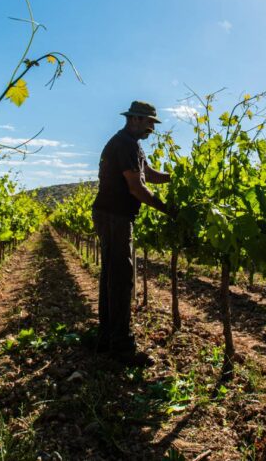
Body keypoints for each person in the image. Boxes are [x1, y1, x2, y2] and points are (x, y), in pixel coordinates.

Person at [92, 100, 171, 366]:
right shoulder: (124, 144)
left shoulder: (131, 144)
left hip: (113, 215)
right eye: (149, 123)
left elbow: (148, 174)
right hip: (114, 216)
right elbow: (137, 187)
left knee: (112, 276)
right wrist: (168, 209)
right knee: (122, 278)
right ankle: (122, 347)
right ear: (135, 119)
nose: (152, 129)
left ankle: (106, 337)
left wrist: (176, 176)